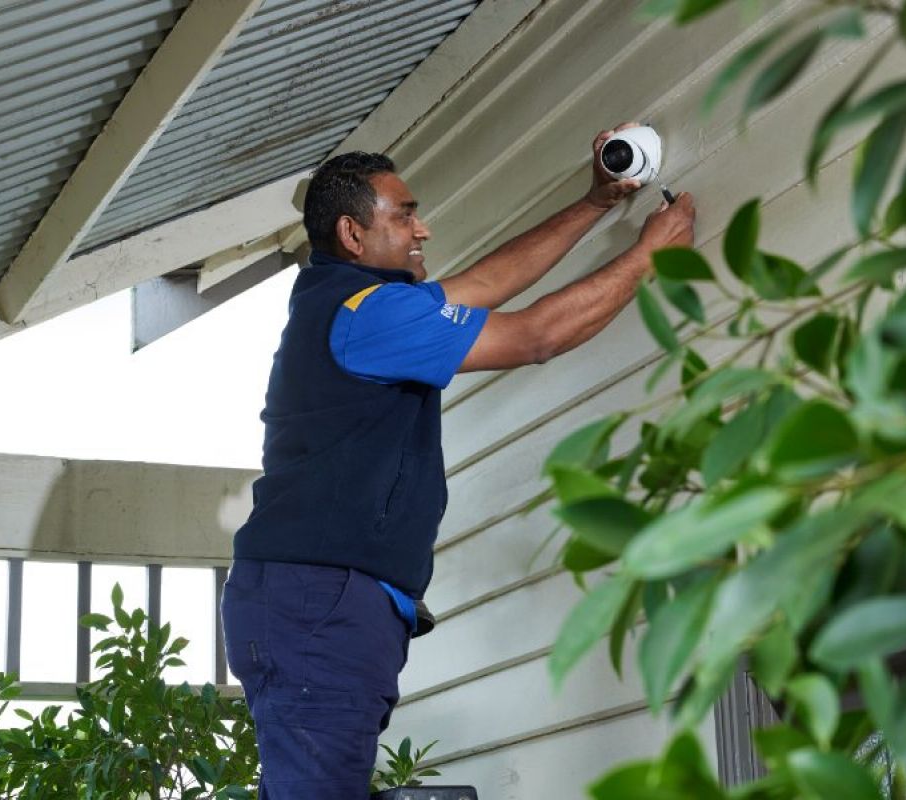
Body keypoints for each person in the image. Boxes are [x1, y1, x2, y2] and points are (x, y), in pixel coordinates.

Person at [220, 124, 696, 799]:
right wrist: (649, 258)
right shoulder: (366, 316)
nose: (423, 230)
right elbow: (534, 336)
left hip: (321, 600)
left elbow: (485, 283)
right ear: (354, 236)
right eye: (404, 214)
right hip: (318, 601)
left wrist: (594, 204)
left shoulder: (355, 303)